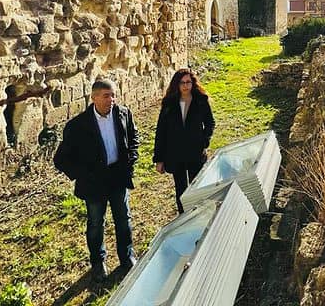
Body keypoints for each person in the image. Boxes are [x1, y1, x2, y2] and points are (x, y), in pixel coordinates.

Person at [53, 79, 139, 282]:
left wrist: (132, 157)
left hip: (117, 177)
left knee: (123, 219)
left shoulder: (123, 113)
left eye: (113, 95)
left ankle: (127, 257)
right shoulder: (78, 125)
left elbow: (133, 135)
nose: (112, 99)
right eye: (106, 95)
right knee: (95, 223)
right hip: (94, 183)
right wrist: (83, 174)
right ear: (94, 97)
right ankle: (98, 262)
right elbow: (61, 159)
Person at [153, 68, 215, 213]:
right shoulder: (169, 103)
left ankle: (199, 215)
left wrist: (204, 141)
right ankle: (184, 219)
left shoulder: (200, 101)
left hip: (195, 152)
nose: (185, 86)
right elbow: (161, 131)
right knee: (181, 190)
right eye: (182, 83)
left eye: (188, 82)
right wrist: (159, 159)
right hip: (176, 153)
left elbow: (210, 122)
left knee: (197, 187)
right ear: (177, 84)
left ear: (192, 83)